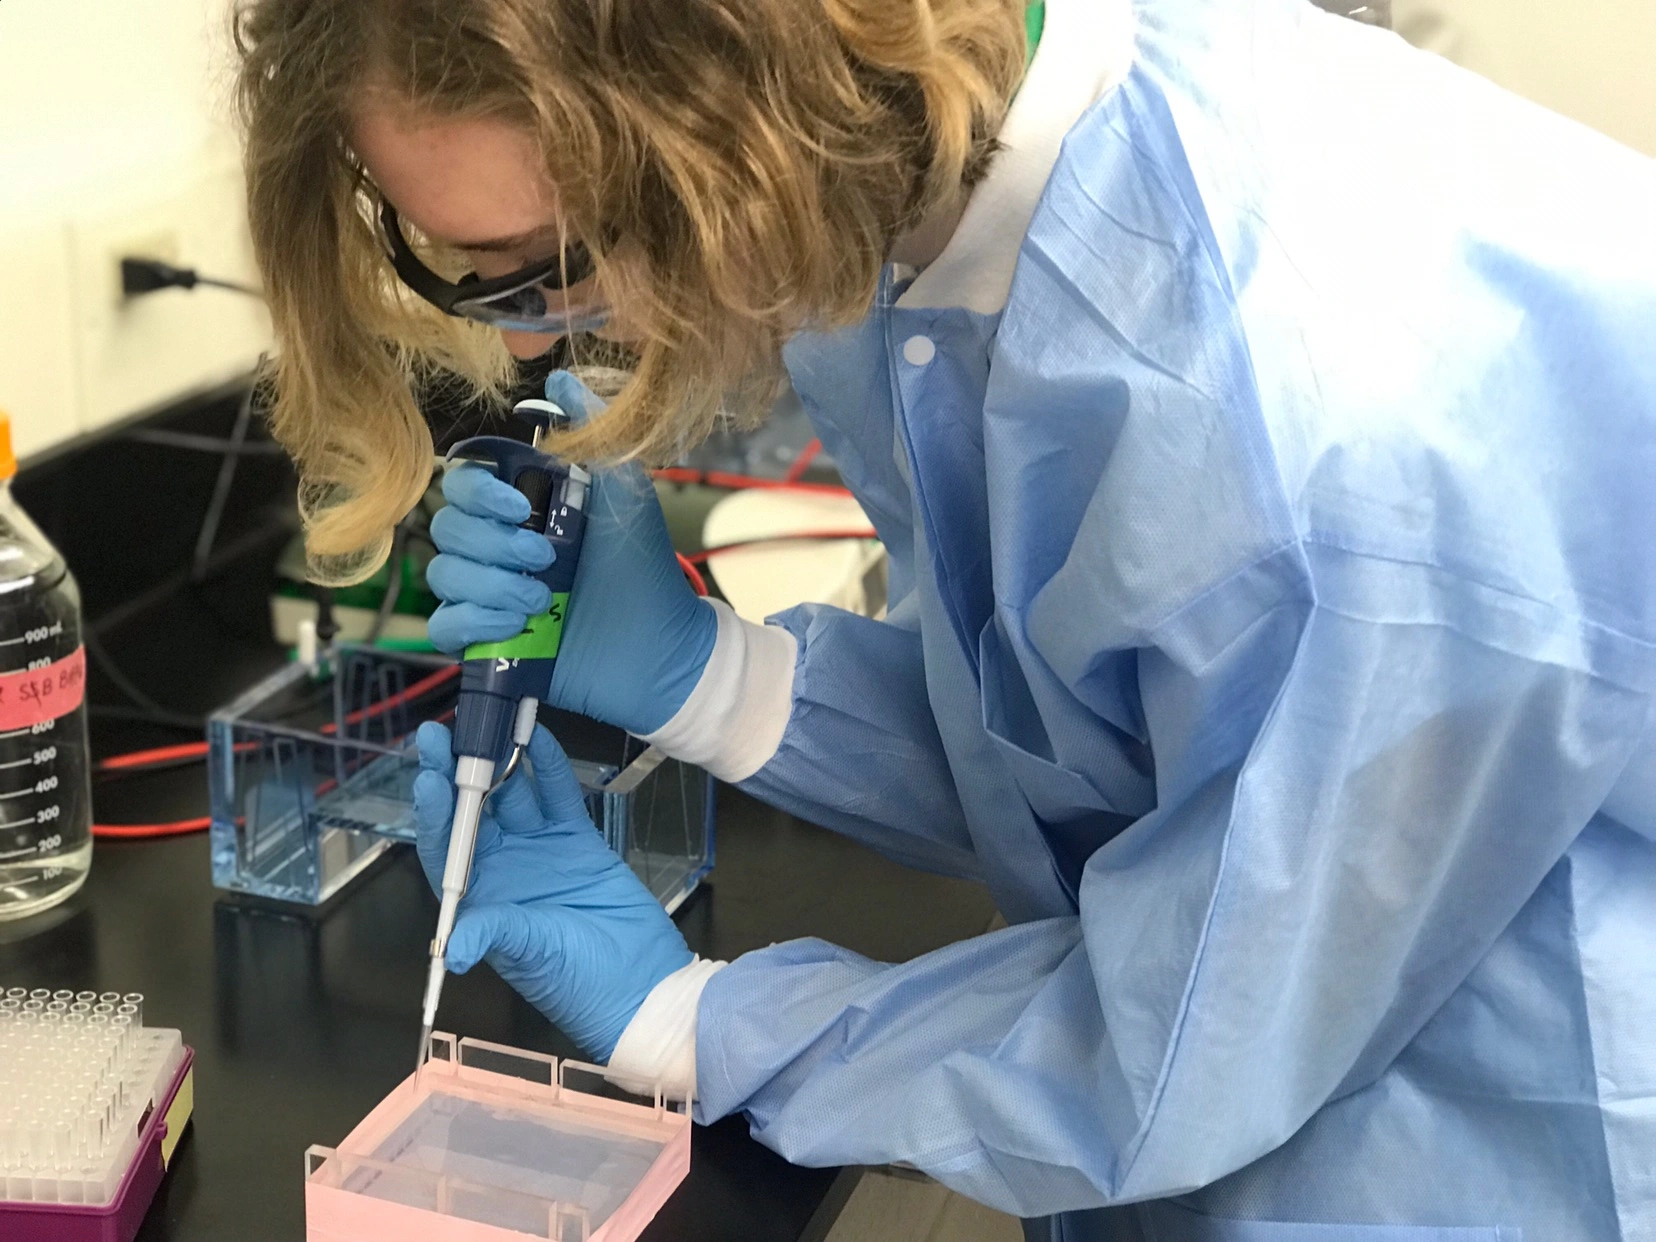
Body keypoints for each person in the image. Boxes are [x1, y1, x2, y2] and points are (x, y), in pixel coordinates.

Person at [234, 0, 1656, 1237]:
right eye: (467, 267)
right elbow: (1125, 750)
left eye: (559, 257)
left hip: (1488, 1151)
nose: (538, 343)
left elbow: (1201, 1031)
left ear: (731, 109)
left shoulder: (1294, 418)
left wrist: (706, 1024)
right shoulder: (937, 187)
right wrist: (707, 676)